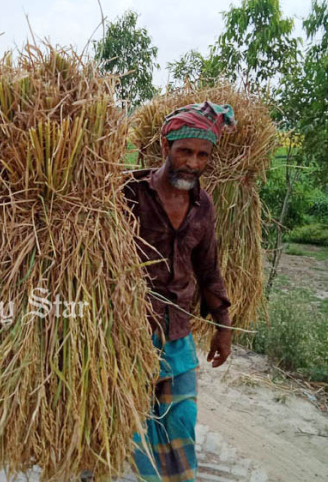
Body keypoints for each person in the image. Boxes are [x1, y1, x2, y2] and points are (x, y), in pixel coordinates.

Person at [124, 101, 236, 482]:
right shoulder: (129, 193)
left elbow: (208, 268)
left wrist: (223, 324)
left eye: (202, 155)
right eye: (184, 151)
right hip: (130, 333)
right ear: (165, 148)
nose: (193, 162)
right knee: (136, 428)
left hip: (177, 334)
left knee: (182, 424)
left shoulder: (203, 205)